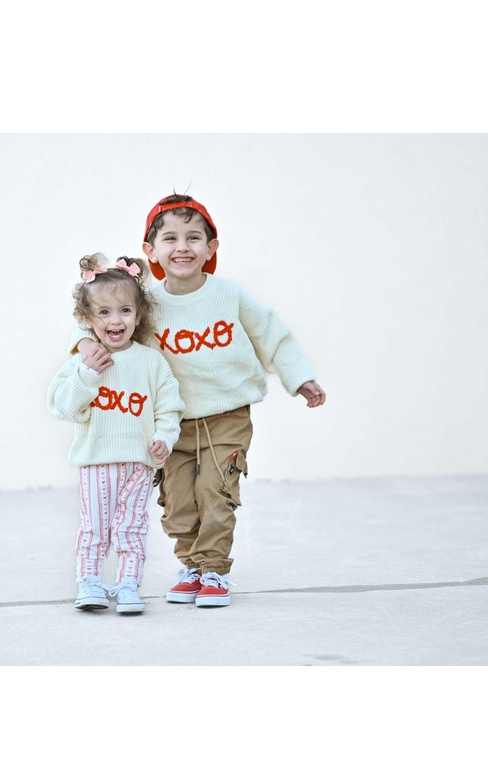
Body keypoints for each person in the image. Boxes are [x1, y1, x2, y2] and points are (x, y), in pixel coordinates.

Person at [73, 195, 326, 608]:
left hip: (227, 418)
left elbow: (270, 333)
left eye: (193, 237)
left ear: (211, 248)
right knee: (178, 503)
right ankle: (191, 565)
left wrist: (300, 378)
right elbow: (101, 315)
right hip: (170, 425)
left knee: (215, 491)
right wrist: (83, 343)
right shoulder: (146, 303)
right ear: (151, 251)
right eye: (170, 238)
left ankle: (214, 570)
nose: (182, 247)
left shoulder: (228, 295)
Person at [48, 253, 184, 614]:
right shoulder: (82, 362)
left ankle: (127, 585)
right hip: (96, 462)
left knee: (131, 528)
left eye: (125, 310)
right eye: (104, 312)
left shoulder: (151, 361)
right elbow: (62, 407)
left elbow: (169, 406)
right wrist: (88, 374)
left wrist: (164, 437)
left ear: (139, 315)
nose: (115, 320)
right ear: (87, 319)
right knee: (94, 528)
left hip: (139, 463)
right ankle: (89, 582)